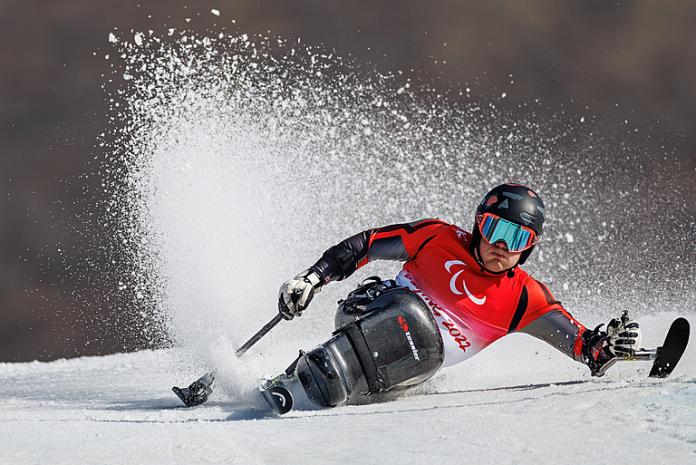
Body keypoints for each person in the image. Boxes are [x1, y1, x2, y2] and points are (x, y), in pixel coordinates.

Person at [266, 183, 642, 413]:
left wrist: (606, 346)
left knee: (428, 348)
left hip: (410, 365)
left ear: (529, 249)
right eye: (495, 229)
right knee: (410, 315)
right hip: (373, 312)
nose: (500, 247)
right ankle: (299, 379)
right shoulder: (438, 238)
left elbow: (583, 346)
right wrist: (313, 278)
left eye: (516, 240)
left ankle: (324, 385)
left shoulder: (525, 297)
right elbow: (366, 245)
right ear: (479, 223)